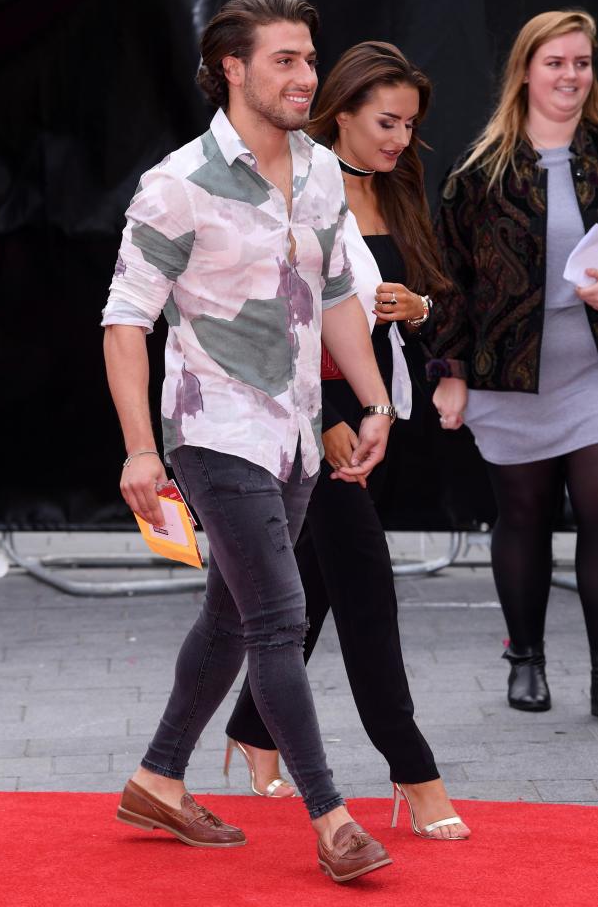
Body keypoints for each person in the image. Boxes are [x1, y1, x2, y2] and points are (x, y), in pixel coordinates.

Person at [102, 0, 396, 884]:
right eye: (284, 60)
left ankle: (157, 776)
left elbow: (340, 295)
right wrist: (140, 449)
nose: (306, 76)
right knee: (278, 617)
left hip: (297, 433)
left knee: (231, 616)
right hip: (211, 426)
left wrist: (377, 406)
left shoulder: (318, 174)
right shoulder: (176, 184)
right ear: (231, 67)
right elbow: (125, 323)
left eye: (310, 58)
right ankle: (333, 818)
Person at [223, 41, 470, 840]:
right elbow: (273, 312)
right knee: (363, 584)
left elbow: (434, 294)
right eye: (385, 122)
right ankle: (414, 768)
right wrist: (322, 414)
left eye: (408, 125)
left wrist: (417, 310)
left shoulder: (398, 189)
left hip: (378, 415)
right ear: (341, 114)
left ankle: (253, 730)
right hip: (309, 418)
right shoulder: (295, 184)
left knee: (316, 580)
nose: (399, 138)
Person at [428, 10, 598, 716]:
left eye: (581, 62)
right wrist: (450, 372)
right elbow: (448, 282)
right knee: (523, 516)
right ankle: (524, 657)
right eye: (554, 61)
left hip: (590, 371)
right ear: (524, 71)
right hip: (507, 373)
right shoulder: (477, 174)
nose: (569, 75)